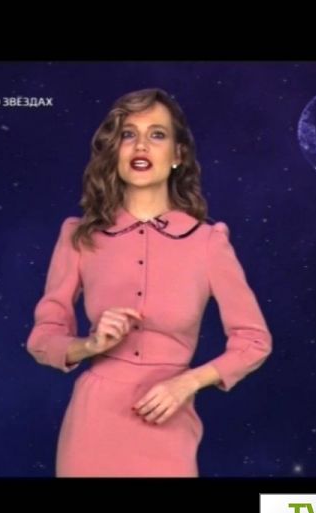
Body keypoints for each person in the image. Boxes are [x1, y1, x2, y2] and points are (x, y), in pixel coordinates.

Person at [26, 88, 273, 477]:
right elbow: (42, 339)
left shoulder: (208, 243)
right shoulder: (78, 236)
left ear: (178, 155)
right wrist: (89, 345)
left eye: (157, 134)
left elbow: (254, 342)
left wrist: (186, 383)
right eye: (128, 134)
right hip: (92, 431)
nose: (140, 145)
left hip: (169, 425)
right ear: (115, 151)